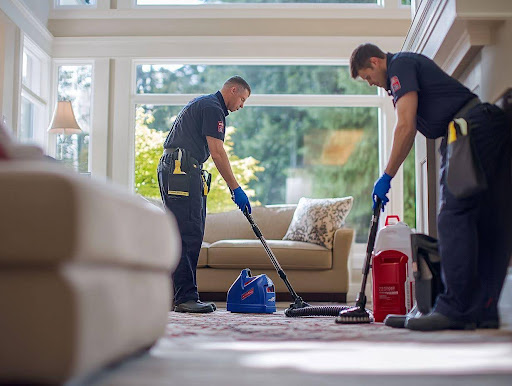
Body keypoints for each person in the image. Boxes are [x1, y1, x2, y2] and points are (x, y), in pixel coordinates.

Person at [349, 43, 512, 331]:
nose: (371, 83)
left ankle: (454, 308)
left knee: (454, 217)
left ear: (375, 62)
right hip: (486, 126)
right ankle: (481, 310)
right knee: (489, 220)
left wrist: (387, 176)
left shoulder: (399, 66)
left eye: (367, 77)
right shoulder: (407, 68)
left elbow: (405, 126)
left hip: (469, 130)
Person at [157, 76, 252, 313]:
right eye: (242, 99)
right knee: (188, 232)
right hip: (180, 170)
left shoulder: (207, 104)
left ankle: (179, 296)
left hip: (182, 168)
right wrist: (236, 188)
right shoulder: (212, 108)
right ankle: (185, 298)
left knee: (188, 231)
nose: (241, 105)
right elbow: (217, 152)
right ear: (232, 90)